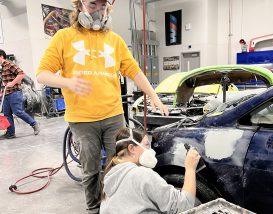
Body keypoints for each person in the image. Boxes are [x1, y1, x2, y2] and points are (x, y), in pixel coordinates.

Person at [36, 0, 168, 213]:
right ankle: (94, 209)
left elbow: (134, 71)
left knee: (123, 163)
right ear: (79, 5)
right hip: (82, 119)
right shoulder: (64, 37)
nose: (98, 11)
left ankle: (122, 205)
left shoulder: (115, 41)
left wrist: (153, 96)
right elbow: (42, 74)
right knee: (91, 169)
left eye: (102, 6)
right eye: (92, 5)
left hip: (113, 115)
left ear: (109, 8)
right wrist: (68, 82)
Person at [100, 128, 201, 214]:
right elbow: (184, 206)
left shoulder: (110, 175)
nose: (151, 151)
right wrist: (190, 168)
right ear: (132, 149)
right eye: (147, 145)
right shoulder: (142, 175)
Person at [0, 50, 40, 139]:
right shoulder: (1, 68)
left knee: (18, 111)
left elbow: (21, 74)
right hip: (5, 95)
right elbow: (3, 82)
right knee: (7, 114)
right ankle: (10, 133)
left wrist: (13, 83)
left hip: (14, 93)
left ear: (1, 56)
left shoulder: (9, 64)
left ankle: (34, 123)